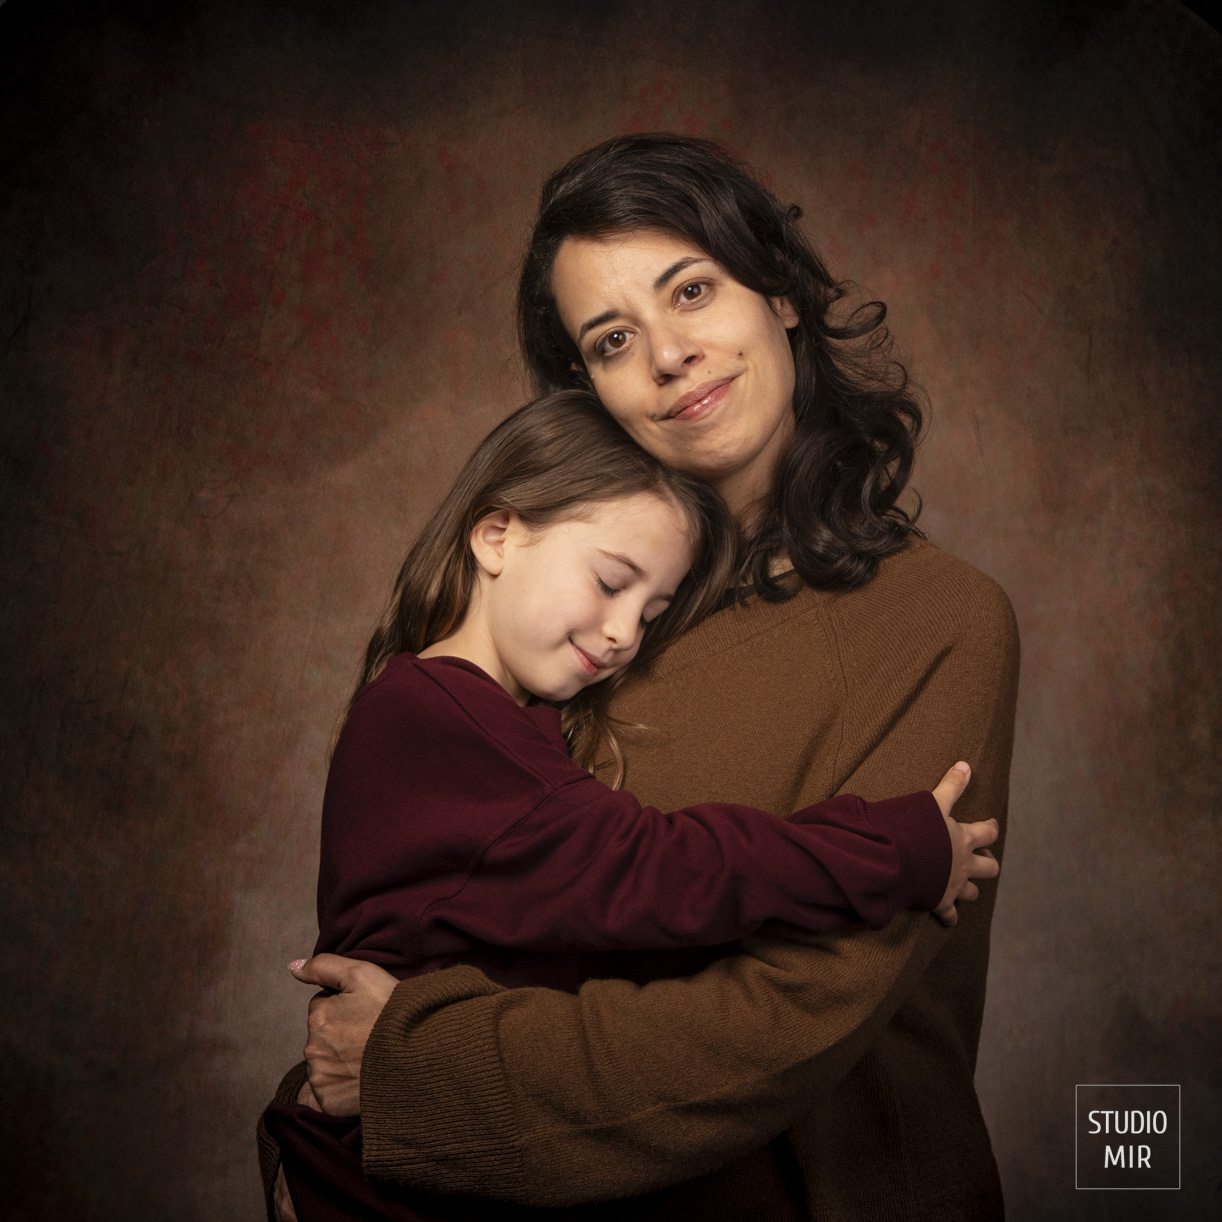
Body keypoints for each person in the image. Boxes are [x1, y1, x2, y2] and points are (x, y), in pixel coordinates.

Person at [265, 134, 1021, 1221]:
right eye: (614, 338)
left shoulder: (939, 619)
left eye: (693, 290)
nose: (667, 354)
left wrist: (409, 1075)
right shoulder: (570, 631)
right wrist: (327, 1125)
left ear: (781, 293)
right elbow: (452, 933)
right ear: (591, 389)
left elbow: (786, 1014)